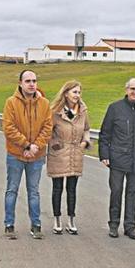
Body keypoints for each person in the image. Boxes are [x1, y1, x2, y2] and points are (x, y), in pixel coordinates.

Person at [99, 78, 135, 240]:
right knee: (116, 191)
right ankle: (114, 224)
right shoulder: (115, 108)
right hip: (118, 158)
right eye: (133, 89)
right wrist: (105, 155)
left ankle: (130, 226)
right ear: (126, 89)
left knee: (133, 193)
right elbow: (105, 134)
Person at [2, 69, 53, 240]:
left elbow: (48, 127)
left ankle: (36, 225)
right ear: (20, 83)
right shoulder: (11, 102)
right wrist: (26, 144)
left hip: (36, 156)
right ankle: (9, 225)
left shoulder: (44, 103)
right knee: (12, 190)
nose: (31, 84)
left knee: (34, 191)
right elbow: (9, 128)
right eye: (28, 81)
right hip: (16, 154)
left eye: (34, 81)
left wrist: (36, 147)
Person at [46, 81, 92, 235]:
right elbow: (48, 131)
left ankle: (71, 218)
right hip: (59, 154)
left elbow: (86, 129)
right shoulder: (55, 112)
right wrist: (55, 145)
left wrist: (84, 143)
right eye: (74, 92)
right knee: (57, 188)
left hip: (75, 154)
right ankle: (57, 218)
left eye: (79, 92)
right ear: (66, 93)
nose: (77, 96)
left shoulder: (83, 111)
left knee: (72, 189)